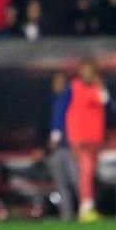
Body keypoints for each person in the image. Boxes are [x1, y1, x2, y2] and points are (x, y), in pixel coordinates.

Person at [52, 59, 109, 223]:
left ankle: (87, 207)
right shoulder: (73, 87)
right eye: (85, 71)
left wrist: (101, 87)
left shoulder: (96, 89)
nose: (88, 74)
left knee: (89, 173)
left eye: (91, 71)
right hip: (79, 137)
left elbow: (105, 104)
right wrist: (56, 133)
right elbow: (61, 107)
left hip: (95, 137)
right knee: (86, 171)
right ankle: (85, 208)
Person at [46, 72, 79, 221]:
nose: (58, 85)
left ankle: (86, 211)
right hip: (57, 149)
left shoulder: (70, 98)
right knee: (61, 184)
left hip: (70, 146)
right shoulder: (54, 101)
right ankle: (66, 215)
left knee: (76, 181)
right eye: (55, 82)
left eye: (61, 82)